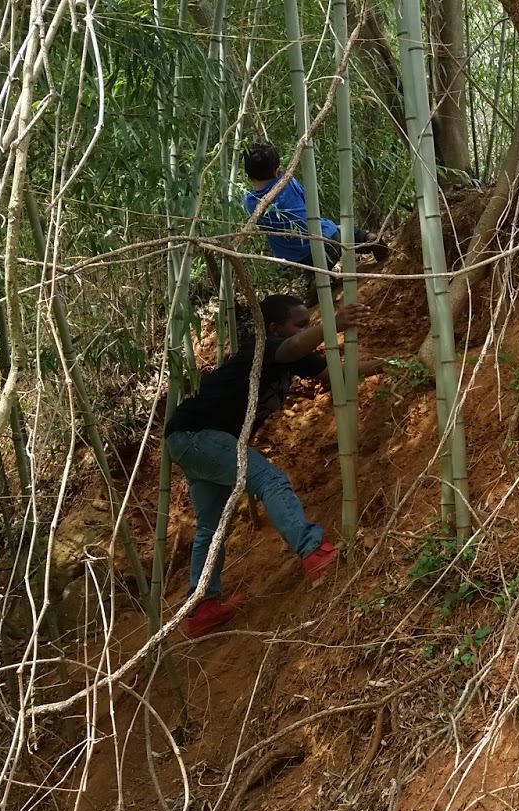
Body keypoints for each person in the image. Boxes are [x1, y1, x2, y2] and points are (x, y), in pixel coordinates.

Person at [165, 293, 382, 637]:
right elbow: (293, 346)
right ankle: (314, 552)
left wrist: (387, 364)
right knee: (271, 481)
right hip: (198, 435)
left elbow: (334, 373)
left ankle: (201, 607)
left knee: (211, 525)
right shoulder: (260, 351)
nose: (306, 330)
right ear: (274, 328)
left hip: (193, 440)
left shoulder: (294, 359)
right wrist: (333, 323)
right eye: (300, 324)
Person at [242, 142, 390, 275]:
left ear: (248, 176)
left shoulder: (251, 202)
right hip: (330, 236)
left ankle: (319, 283)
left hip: (309, 258)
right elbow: (309, 201)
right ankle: (367, 238)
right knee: (343, 232)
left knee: (314, 278)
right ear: (277, 171)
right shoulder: (288, 181)